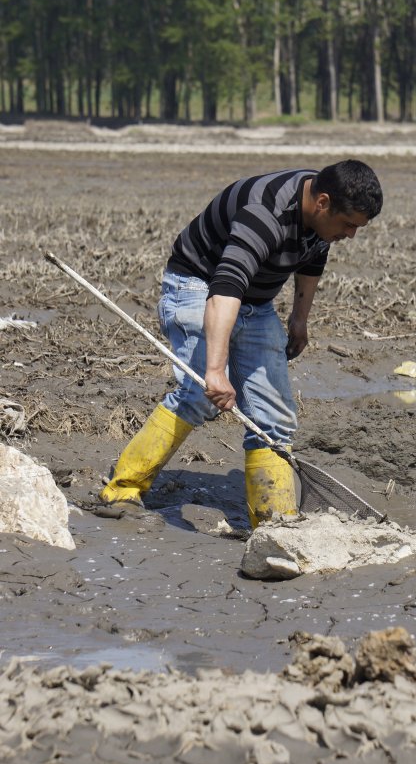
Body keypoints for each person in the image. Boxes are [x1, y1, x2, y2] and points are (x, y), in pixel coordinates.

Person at [99, 159, 383, 527]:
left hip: (255, 301)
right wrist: (216, 370)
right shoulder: (265, 213)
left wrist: (299, 319)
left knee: (275, 420)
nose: (351, 235)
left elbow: (314, 257)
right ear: (322, 203)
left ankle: (274, 524)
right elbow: (225, 289)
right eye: (348, 225)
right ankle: (122, 490)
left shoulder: (320, 216)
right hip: (198, 285)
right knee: (199, 394)